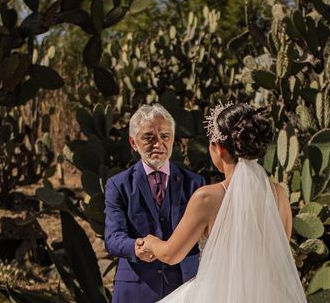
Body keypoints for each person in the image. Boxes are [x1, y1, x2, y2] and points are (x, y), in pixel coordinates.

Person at [139, 102, 307, 302]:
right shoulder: (279, 194)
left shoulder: (207, 198)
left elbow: (171, 254)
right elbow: (279, 252)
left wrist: (150, 242)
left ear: (217, 148)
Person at [104, 104, 206, 303]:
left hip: (185, 287)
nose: (158, 144)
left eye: (165, 136)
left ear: (173, 139)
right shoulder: (118, 185)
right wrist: (136, 247)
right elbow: (112, 238)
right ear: (133, 143)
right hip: (136, 290)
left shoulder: (195, 183)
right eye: (149, 138)